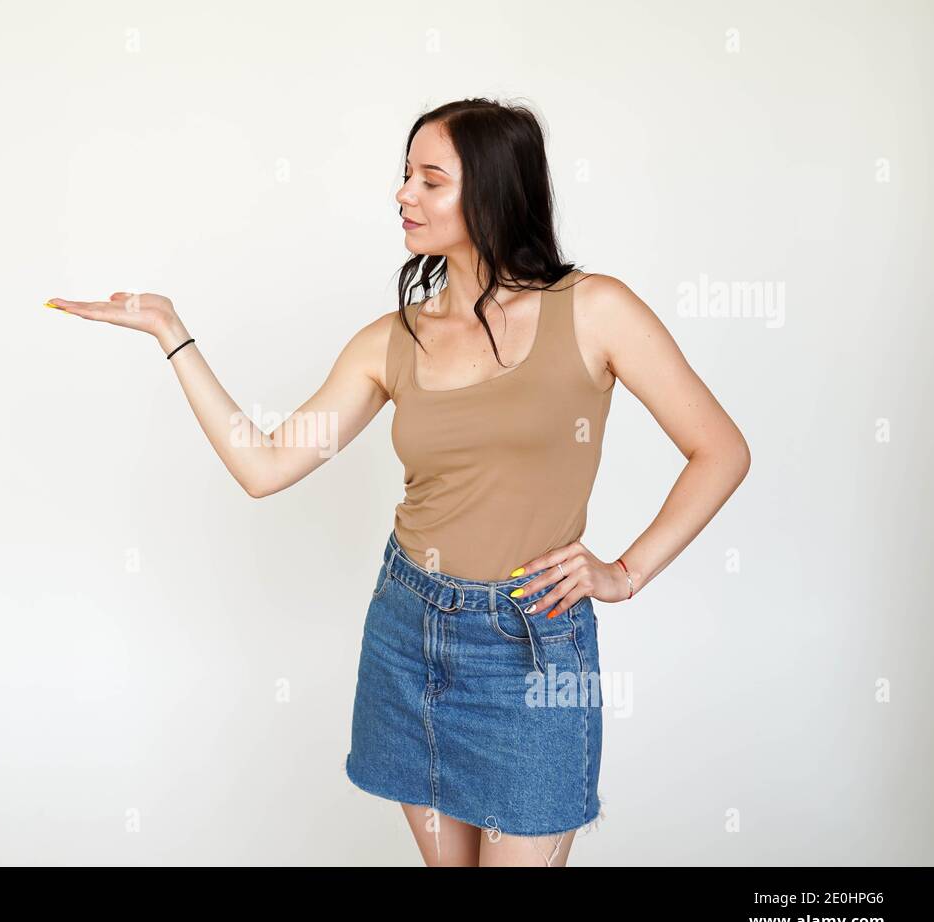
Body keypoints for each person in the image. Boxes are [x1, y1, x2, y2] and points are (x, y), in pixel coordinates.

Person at [45, 97, 751, 867]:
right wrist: (172, 335)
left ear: (491, 191)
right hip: (410, 633)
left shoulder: (594, 311)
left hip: (533, 649)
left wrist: (624, 573)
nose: (403, 194)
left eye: (430, 179)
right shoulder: (393, 341)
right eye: (404, 175)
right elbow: (264, 464)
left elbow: (719, 450)